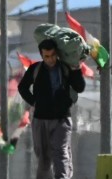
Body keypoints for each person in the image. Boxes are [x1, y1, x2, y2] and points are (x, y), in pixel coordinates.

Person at [18, 38, 86, 179]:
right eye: (47, 56)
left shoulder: (65, 68)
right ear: (42, 56)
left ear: (57, 54)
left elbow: (80, 87)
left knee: (60, 153)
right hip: (40, 120)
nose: (51, 59)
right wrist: (34, 102)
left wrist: (76, 69)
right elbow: (22, 87)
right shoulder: (35, 69)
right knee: (43, 158)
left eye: (53, 55)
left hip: (62, 119)